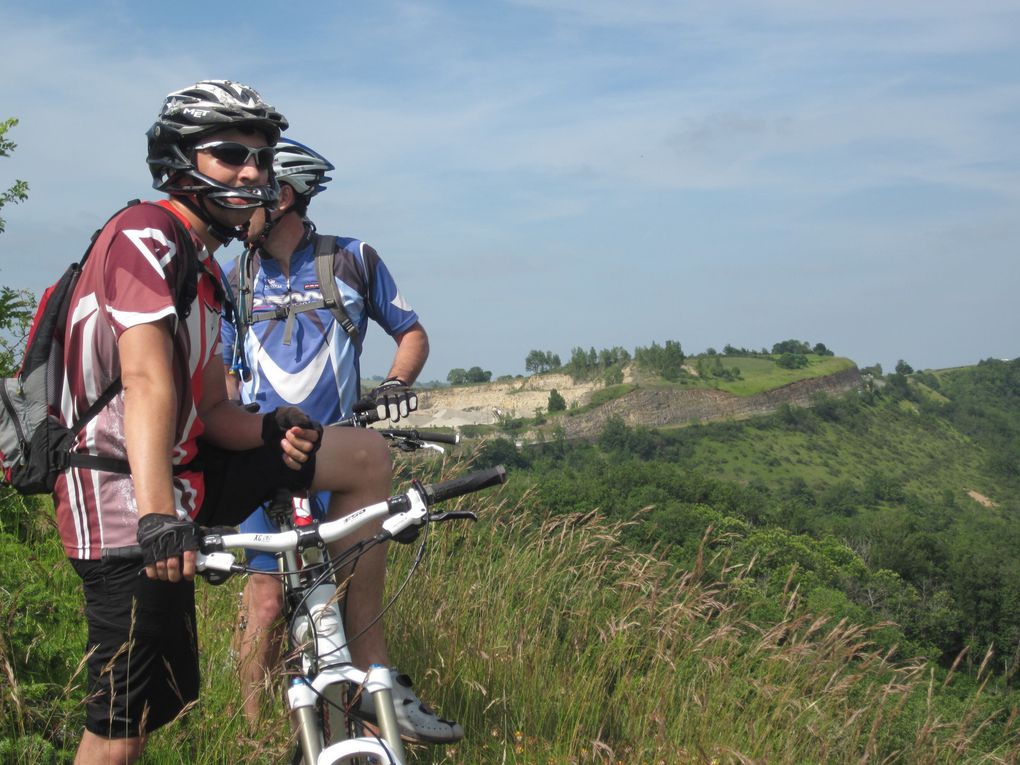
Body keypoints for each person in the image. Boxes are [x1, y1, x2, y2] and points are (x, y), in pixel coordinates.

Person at [53, 80, 393, 765]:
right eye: (230, 154)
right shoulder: (145, 236)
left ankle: (366, 664)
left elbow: (212, 412)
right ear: (181, 161)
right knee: (118, 729)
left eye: (261, 160)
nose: (251, 172)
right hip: (124, 501)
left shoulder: (205, 271)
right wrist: (157, 519)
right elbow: (146, 379)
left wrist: (273, 430)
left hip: (178, 483)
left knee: (363, 457)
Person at [220, 139, 461, 743]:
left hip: (337, 455)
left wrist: (395, 384)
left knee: (354, 593)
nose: (233, 208)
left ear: (281, 196)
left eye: (248, 196)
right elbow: (223, 372)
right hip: (260, 458)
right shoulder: (235, 277)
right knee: (267, 603)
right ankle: (255, 738)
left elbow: (411, 333)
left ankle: (373, 715)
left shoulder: (352, 259)